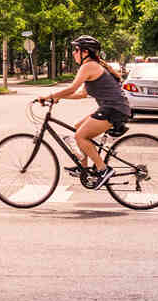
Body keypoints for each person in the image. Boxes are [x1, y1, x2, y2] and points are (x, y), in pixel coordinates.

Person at [37, 35, 131, 189]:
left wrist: (50, 96)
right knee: (78, 126)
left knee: (80, 136)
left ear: (85, 52)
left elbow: (72, 88)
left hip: (114, 109)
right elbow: (81, 93)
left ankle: (103, 169)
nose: (74, 53)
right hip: (111, 108)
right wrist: (58, 98)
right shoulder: (92, 66)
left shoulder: (89, 66)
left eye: (76, 50)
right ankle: (84, 168)